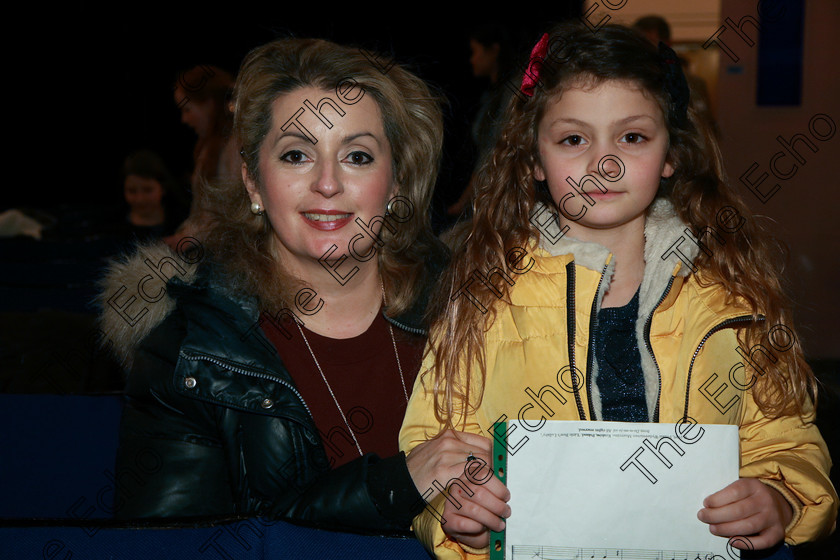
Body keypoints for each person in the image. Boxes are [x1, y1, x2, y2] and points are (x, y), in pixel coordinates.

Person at [399, 22, 837, 559]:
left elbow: (784, 435)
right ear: (534, 160)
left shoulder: (731, 295)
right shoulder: (484, 293)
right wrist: (457, 508)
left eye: (632, 137)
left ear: (670, 154)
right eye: (573, 139)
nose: (603, 164)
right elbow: (436, 439)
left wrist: (780, 496)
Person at [98, 38, 489, 533]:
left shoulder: (478, 314)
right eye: (297, 155)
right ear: (254, 182)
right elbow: (175, 547)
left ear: (396, 184)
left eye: (359, 157)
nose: (327, 183)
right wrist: (394, 486)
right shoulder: (189, 354)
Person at [447, 23, 515, 218]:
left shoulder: (511, 94)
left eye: (475, 52)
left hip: (500, 200)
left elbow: (494, 151)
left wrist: (463, 203)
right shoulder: (491, 95)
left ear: (494, 51)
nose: (472, 59)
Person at [170, 64, 238, 242]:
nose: (184, 119)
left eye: (187, 109)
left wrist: (189, 240)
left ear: (209, 104)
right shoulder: (209, 146)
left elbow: (234, 217)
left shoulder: (235, 148)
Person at [119, 150, 185, 241]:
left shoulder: (183, 224)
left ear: (163, 188)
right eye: (132, 191)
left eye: (148, 190)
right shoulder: (111, 228)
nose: (140, 199)